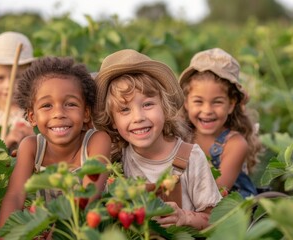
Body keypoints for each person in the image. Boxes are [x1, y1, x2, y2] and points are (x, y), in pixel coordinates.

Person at [94, 49, 222, 230]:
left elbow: (215, 219)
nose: (138, 117)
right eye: (124, 110)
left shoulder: (190, 156)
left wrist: (184, 217)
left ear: (165, 107)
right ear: (113, 121)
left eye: (147, 104)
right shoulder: (116, 160)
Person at [0, 56, 112, 228]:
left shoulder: (96, 141)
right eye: (46, 106)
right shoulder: (31, 147)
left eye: (71, 104)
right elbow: (15, 196)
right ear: (32, 116)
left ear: (86, 113)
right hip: (46, 230)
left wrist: (58, 233)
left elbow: (89, 194)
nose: (59, 113)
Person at [179, 48, 262, 198]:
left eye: (217, 102)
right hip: (189, 207)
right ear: (186, 103)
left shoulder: (235, 144)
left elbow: (215, 194)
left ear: (231, 104)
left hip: (228, 212)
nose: (207, 110)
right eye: (198, 101)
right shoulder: (182, 135)